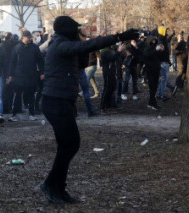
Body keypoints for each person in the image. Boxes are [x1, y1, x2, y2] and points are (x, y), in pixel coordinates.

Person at [38, 16, 137, 205]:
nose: (78, 33)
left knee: (67, 146)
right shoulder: (59, 44)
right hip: (55, 101)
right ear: (67, 31)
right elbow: (85, 48)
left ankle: (58, 187)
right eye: (75, 30)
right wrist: (118, 37)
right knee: (71, 144)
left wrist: (81, 40)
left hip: (62, 101)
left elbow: (82, 60)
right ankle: (51, 184)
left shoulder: (67, 44)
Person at [7, 30, 44, 121]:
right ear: (23, 37)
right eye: (28, 37)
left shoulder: (35, 48)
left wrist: (42, 72)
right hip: (19, 75)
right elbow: (12, 62)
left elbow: (40, 61)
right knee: (18, 95)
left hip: (31, 75)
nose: (30, 39)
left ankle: (32, 114)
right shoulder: (17, 48)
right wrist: (11, 75)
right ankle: (14, 114)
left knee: (31, 95)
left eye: (30, 37)